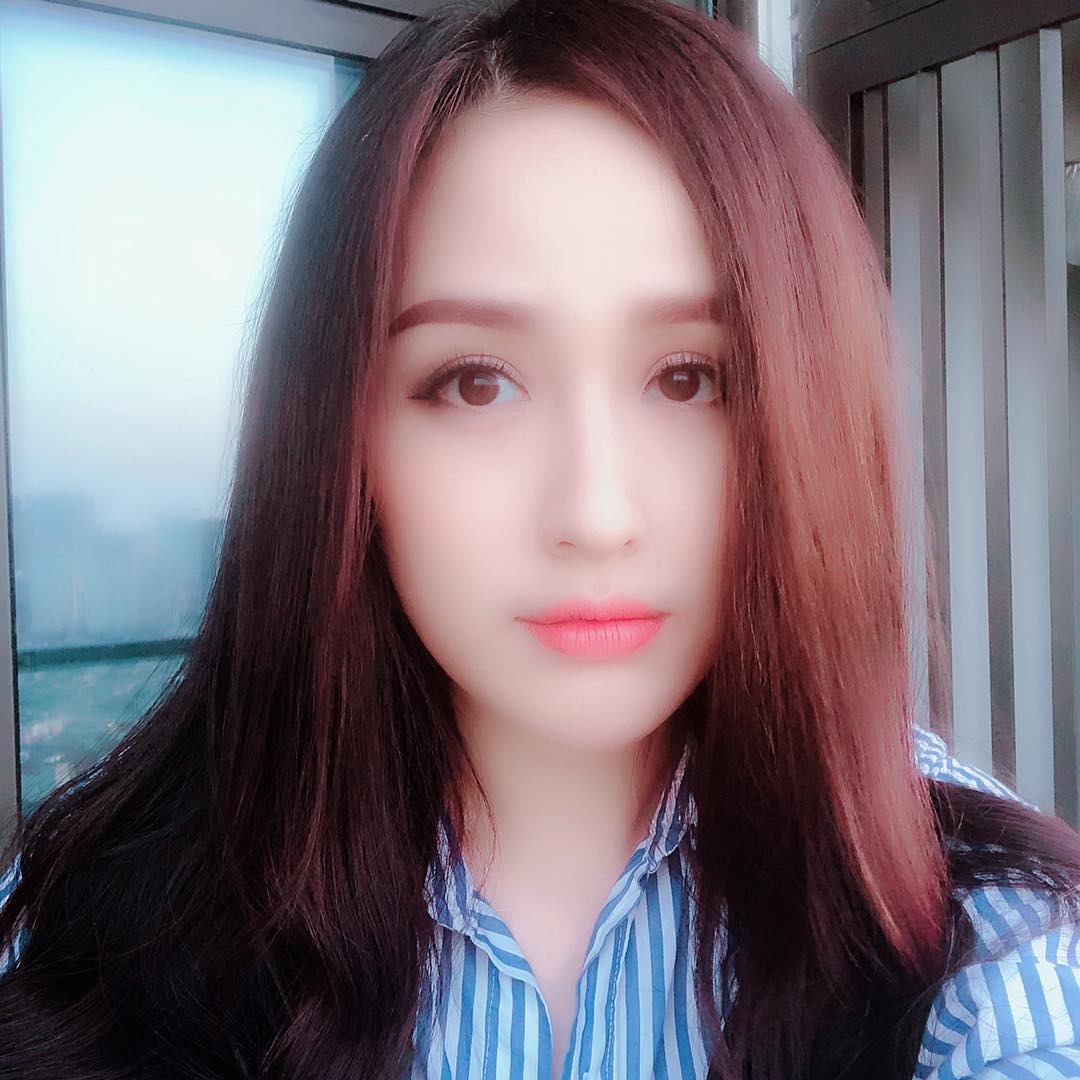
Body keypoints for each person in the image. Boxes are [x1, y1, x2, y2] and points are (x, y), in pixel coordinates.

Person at [1, 0, 1079, 1076]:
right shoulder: (90, 928)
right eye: (477, 383)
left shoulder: (984, 939)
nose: (595, 514)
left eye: (689, 378)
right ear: (340, 439)